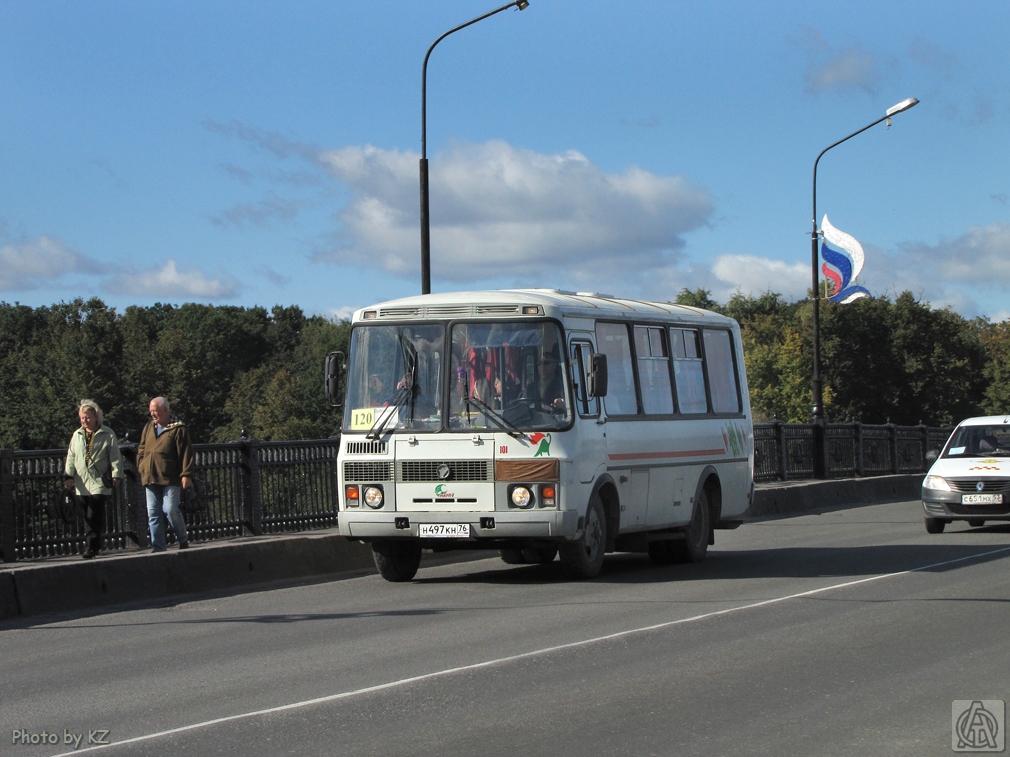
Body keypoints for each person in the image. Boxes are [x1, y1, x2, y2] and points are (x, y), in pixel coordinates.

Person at [64, 399, 123, 559]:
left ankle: (91, 546)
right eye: (82, 418)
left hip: (99, 480)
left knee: (93, 513)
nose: (84, 421)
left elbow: (115, 455)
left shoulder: (107, 433)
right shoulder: (77, 435)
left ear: (96, 417)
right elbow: (71, 456)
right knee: (85, 514)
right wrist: (68, 475)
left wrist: (116, 474)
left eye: (87, 417)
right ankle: (94, 544)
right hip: (82, 481)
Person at [136, 396, 195, 552]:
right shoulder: (149, 427)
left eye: (155, 411)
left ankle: (182, 539)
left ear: (165, 410)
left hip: (170, 476)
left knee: (169, 508)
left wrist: (186, 474)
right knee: (153, 512)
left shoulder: (178, 428)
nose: (153, 414)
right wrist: (141, 464)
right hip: (150, 475)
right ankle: (158, 547)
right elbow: (142, 448)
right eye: (151, 411)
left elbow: (185, 453)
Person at [524, 345, 566, 413]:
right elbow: (522, 407)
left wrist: (563, 404)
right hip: (534, 422)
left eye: (546, 363)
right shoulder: (530, 388)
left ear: (554, 365)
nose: (542, 366)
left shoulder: (562, 385)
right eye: (539, 363)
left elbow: (571, 407)